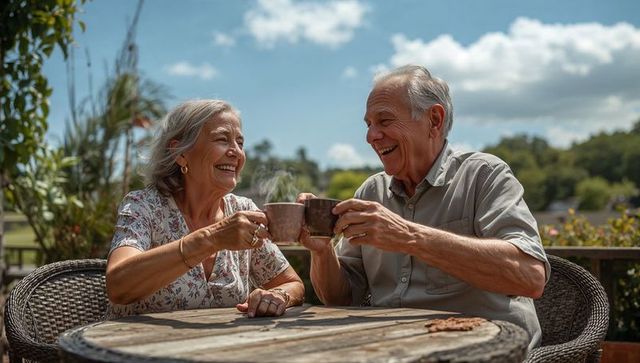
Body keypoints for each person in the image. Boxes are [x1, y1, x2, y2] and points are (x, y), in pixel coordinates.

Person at [298, 65, 549, 350]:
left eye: (384, 121)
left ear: (434, 119)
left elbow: (530, 276)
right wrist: (321, 250)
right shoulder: (372, 192)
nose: (371, 136)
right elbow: (341, 299)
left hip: (487, 350)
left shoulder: (485, 175)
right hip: (394, 349)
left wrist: (410, 236)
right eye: (368, 124)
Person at [106, 99, 304, 319]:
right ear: (180, 153)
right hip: (130, 349)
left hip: (214, 350)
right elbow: (118, 286)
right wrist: (211, 238)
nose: (236, 152)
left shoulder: (242, 210)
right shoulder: (143, 206)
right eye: (222, 139)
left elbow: (291, 283)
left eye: (240, 143)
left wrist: (277, 296)